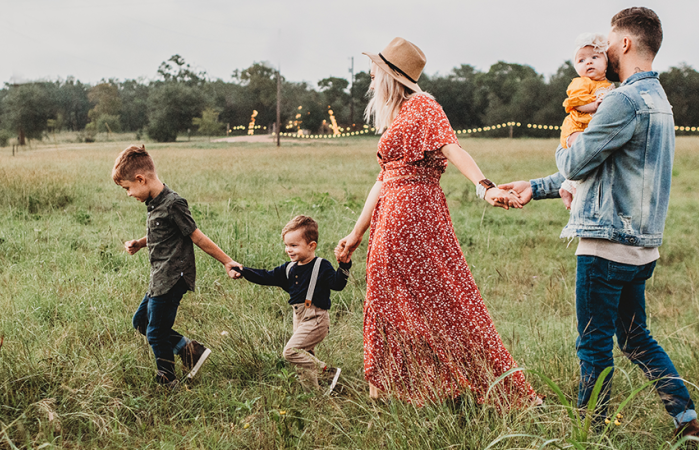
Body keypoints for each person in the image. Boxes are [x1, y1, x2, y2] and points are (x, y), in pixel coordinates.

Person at [499, 7, 699, 437]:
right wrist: (538, 186)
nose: (603, 48)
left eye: (609, 40)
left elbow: (576, 159)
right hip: (642, 246)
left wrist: (565, 137)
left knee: (593, 344)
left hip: (606, 245)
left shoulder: (622, 100)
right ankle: (687, 418)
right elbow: (602, 165)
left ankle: (591, 432)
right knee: (635, 337)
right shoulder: (658, 99)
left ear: (624, 43)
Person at [335, 37, 537, 406]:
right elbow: (383, 180)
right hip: (393, 214)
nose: (369, 75)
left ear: (390, 75)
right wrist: (356, 233)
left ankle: (462, 386)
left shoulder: (423, 106)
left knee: (441, 300)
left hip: (412, 215)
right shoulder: (398, 115)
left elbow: (452, 147)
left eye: (374, 70)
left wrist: (485, 186)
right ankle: (394, 391)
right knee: (395, 301)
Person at [113, 144, 242, 390]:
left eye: (128, 188)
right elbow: (162, 234)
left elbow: (196, 236)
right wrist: (141, 243)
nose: (129, 194)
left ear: (141, 179)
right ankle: (190, 350)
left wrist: (228, 261)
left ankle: (167, 379)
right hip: (159, 277)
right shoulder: (154, 203)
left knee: (155, 331)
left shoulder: (173, 203)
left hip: (173, 277)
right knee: (141, 321)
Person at [235, 215, 349, 393]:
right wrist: (243, 271)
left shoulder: (321, 266)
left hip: (317, 319)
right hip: (299, 318)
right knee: (304, 359)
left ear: (312, 246)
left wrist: (344, 265)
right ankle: (314, 394)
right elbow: (266, 276)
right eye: (287, 245)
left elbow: (338, 284)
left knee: (291, 352)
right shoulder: (289, 268)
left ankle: (327, 372)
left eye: (294, 245)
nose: (288, 249)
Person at [559, 33, 615, 208]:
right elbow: (575, 103)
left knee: (592, 155)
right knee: (581, 152)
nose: (588, 62)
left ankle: (568, 185)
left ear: (606, 62)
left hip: (589, 129)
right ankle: (573, 188)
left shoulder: (608, 85)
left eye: (594, 57)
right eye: (581, 60)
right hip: (576, 127)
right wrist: (593, 105)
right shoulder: (581, 83)